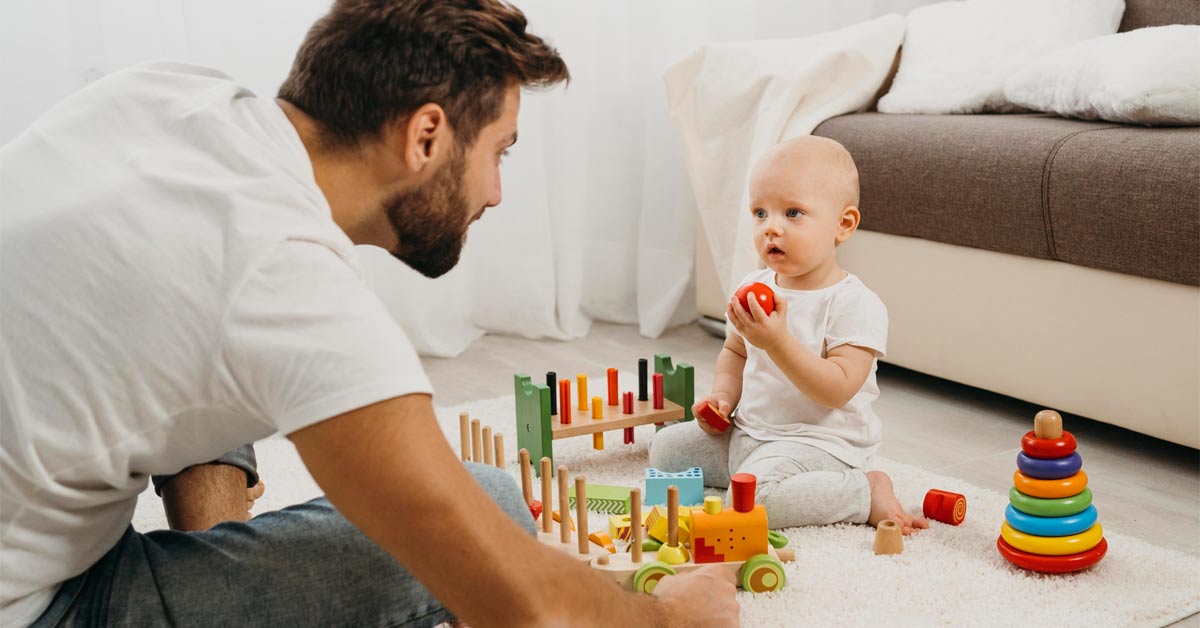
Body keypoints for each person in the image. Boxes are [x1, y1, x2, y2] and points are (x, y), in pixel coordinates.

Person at [0, 1, 740, 626]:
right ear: (425, 136)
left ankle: (217, 537)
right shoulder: (293, 289)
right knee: (492, 507)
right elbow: (522, 601)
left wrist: (230, 557)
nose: (496, 193)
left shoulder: (163, 95)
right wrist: (673, 613)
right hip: (36, 603)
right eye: (499, 154)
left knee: (201, 323)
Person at [650, 136, 930, 536]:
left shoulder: (854, 304)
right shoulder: (753, 284)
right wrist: (723, 399)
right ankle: (758, 475)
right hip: (750, 431)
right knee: (665, 452)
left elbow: (837, 389)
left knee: (753, 503)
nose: (771, 228)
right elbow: (735, 351)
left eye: (793, 213)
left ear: (843, 225)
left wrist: (777, 342)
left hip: (818, 444)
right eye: (760, 212)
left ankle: (863, 491)